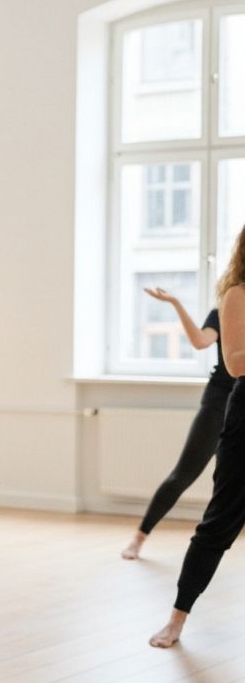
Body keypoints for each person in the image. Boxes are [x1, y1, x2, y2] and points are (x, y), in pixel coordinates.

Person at [149, 225, 245, 649]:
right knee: (219, 524)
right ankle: (177, 617)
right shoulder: (236, 294)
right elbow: (236, 362)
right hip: (241, 417)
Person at [121, 289, 233, 560]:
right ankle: (139, 537)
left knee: (230, 484)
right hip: (218, 403)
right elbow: (200, 341)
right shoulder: (223, 312)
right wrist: (175, 303)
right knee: (184, 473)